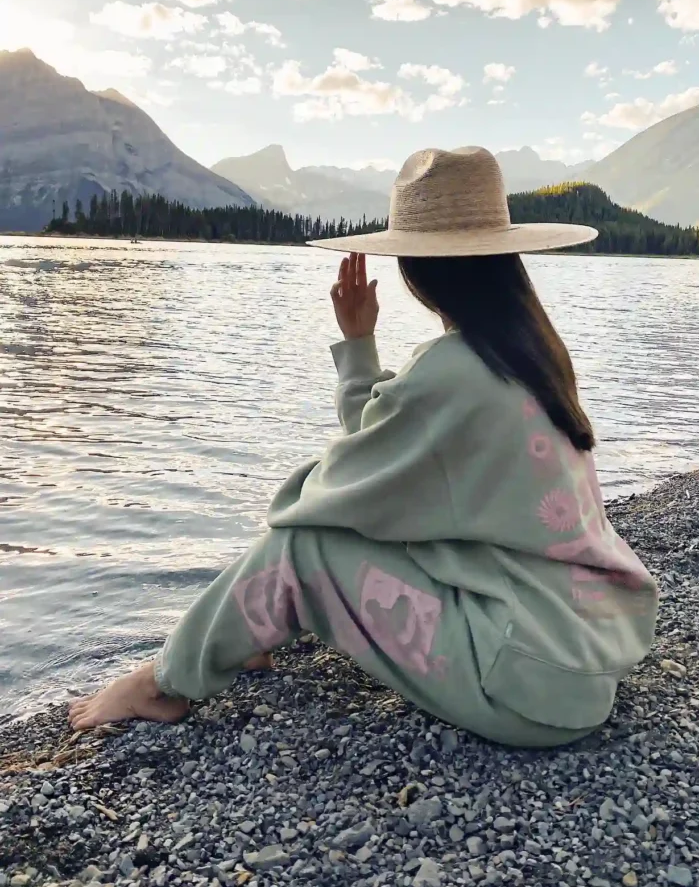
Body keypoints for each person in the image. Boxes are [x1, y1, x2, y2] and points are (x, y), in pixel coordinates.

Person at [69, 146, 659, 747]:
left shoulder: (453, 370)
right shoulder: (532, 352)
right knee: (355, 530)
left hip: (524, 687)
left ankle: (161, 683)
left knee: (303, 546)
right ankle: (244, 634)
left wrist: (306, 503)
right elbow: (398, 445)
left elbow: (329, 501)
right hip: (580, 655)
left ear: (414, 270)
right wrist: (360, 348)